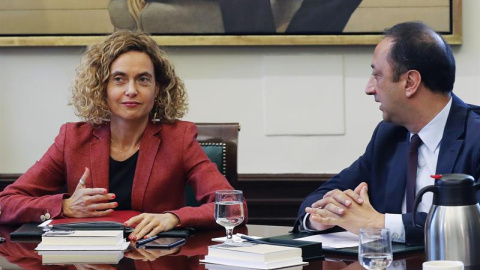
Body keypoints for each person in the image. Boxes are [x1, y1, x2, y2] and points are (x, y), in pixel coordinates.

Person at [0, 30, 247, 242]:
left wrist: (174, 217)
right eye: (119, 79)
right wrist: (64, 206)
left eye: (143, 79)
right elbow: (6, 202)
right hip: (88, 260)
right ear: (102, 88)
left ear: (157, 89)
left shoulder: (179, 138)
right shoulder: (72, 139)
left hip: (157, 259)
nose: (131, 90)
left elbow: (235, 208)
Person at [295, 22, 480, 245]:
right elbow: (320, 196)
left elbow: (472, 222)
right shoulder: (389, 135)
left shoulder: (475, 137)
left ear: (410, 82)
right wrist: (324, 217)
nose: (369, 88)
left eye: (377, 75)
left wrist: (377, 224)